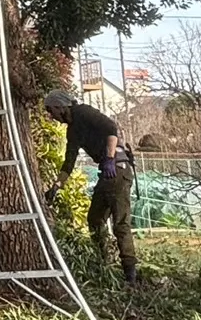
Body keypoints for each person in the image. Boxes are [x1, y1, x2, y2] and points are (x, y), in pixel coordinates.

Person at [42, 89, 137, 285]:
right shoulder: (73, 130)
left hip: (117, 168)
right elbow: (69, 162)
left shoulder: (83, 112)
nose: (52, 116)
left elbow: (111, 128)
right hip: (107, 172)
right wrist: (56, 187)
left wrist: (109, 158)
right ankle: (104, 262)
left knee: (120, 223)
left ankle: (131, 276)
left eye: (51, 111)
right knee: (94, 219)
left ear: (61, 107)